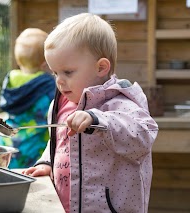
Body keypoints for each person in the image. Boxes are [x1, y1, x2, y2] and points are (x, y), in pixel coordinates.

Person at [22, 13, 159, 213]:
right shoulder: (61, 105)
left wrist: (98, 120)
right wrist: (47, 163)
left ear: (101, 67)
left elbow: (143, 136)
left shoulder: (121, 103)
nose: (59, 81)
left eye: (68, 72)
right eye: (55, 72)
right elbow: (58, 143)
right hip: (66, 206)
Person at [0, 28, 56, 169]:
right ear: (44, 63)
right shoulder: (48, 83)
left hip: (8, 141)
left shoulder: (11, 78)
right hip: (35, 144)